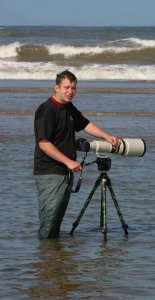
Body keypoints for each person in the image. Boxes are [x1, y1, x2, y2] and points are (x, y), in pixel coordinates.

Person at [34, 70, 120, 239]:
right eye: (66, 88)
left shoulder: (68, 108)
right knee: (49, 222)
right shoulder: (46, 110)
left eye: (73, 88)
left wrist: (106, 136)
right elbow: (44, 144)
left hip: (65, 171)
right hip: (49, 172)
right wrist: (69, 162)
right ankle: (44, 260)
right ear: (56, 87)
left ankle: (54, 259)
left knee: (56, 223)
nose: (70, 92)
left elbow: (85, 124)